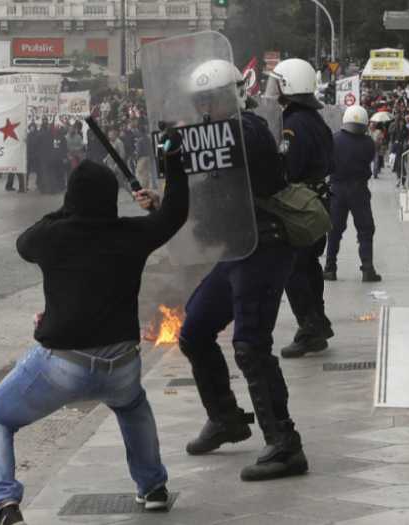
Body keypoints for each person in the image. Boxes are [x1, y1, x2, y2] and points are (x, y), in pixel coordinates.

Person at [0, 155, 190, 525]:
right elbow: (175, 213)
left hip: (63, 367)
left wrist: (67, 210)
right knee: (132, 406)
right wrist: (173, 162)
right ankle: (153, 487)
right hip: (122, 366)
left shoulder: (50, 237)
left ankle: (5, 505)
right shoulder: (134, 234)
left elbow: (26, 239)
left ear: (70, 198)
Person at [140, 59, 308, 482]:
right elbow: (204, 201)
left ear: (234, 95)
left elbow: (233, 139)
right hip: (235, 254)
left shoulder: (249, 129)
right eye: (201, 101)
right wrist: (162, 201)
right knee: (194, 332)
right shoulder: (209, 144)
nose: (206, 108)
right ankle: (226, 418)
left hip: (266, 249)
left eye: (213, 99)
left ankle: (285, 444)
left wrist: (180, 138)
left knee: (250, 346)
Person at [268, 58, 336, 359]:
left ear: (289, 87)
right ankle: (318, 320)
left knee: (292, 266)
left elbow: (288, 169)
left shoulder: (293, 124)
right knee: (309, 265)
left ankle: (310, 328)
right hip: (319, 201)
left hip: (302, 206)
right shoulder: (313, 118)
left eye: (278, 84)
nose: (273, 91)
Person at [323, 105, 381, 282]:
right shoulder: (368, 142)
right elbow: (370, 157)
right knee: (365, 229)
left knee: (334, 230)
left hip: (337, 189)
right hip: (359, 190)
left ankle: (330, 267)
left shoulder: (334, 139)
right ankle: (367, 268)